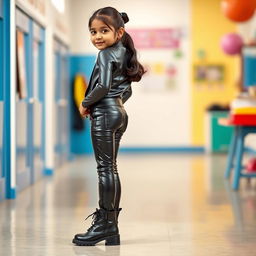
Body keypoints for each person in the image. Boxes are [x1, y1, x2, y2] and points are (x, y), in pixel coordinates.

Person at [72, 7, 146, 246]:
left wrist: (85, 103)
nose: (97, 36)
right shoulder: (124, 52)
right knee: (110, 169)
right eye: (93, 32)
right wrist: (116, 105)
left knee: (105, 170)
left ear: (119, 31)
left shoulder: (105, 55)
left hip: (105, 114)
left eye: (104, 30)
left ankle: (105, 225)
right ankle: (110, 227)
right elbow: (127, 90)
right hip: (119, 114)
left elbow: (102, 86)